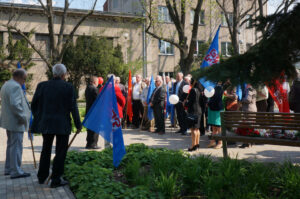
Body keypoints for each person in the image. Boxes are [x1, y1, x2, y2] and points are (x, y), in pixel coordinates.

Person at [31, 64, 82, 188]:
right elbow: (73, 108)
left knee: (45, 150)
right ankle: (56, 179)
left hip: (46, 123)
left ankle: (41, 176)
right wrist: (78, 124)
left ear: (53, 73)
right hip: (62, 124)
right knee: (60, 152)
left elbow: (34, 105)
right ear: (64, 75)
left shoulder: (42, 86)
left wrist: (39, 116)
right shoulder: (68, 87)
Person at [0, 69, 31, 179]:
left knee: (11, 145)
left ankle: (9, 168)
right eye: (24, 79)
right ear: (18, 77)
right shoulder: (15, 86)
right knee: (16, 146)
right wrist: (23, 117)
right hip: (16, 121)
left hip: (9, 121)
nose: (24, 82)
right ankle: (16, 171)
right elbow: (15, 105)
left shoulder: (7, 84)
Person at [185, 79, 202, 151]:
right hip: (199, 111)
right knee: (197, 129)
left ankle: (193, 145)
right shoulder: (199, 90)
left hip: (193, 111)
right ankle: (197, 144)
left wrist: (185, 103)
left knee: (193, 129)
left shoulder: (192, 90)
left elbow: (191, 102)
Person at [207, 82, 224, 149]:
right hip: (211, 108)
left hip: (217, 109)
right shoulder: (210, 86)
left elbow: (216, 98)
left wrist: (209, 103)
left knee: (218, 126)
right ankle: (212, 141)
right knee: (213, 127)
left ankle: (220, 142)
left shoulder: (219, 87)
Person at [85, 76, 99, 149]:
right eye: (97, 82)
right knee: (95, 128)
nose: (98, 83)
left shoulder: (87, 88)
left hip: (89, 110)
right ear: (94, 82)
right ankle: (93, 144)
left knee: (89, 128)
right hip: (95, 112)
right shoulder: (94, 89)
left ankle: (88, 143)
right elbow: (98, 101)